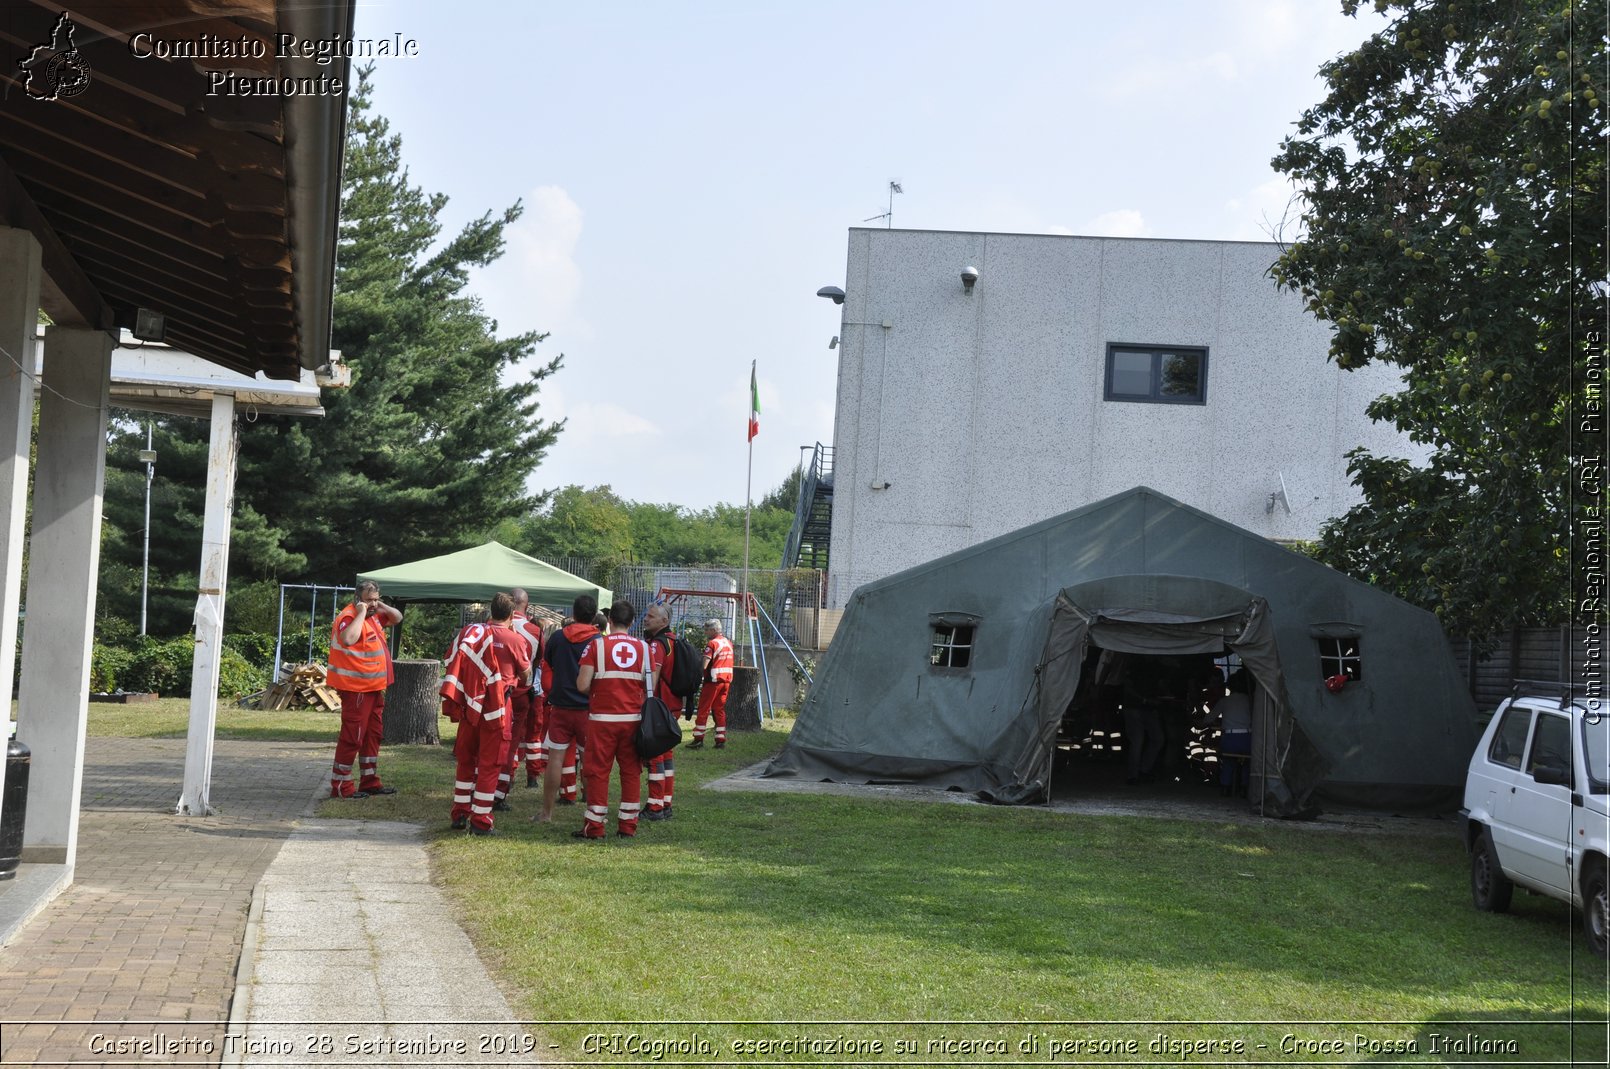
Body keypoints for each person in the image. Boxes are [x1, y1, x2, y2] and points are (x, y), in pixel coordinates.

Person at [574, 598, 660, 839]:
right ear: (631, 623)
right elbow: (650, 686)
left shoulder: (596, 646)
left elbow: (582, 684)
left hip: (602, 720)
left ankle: (595, 826)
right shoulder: (644, 648)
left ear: (609, 621)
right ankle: (628, 826)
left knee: (598, 772)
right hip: (633, 720)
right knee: (631, 772)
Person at [441, 595, 527, 835]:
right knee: (490, 764)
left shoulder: (473, 633)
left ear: (491, 612)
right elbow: (526, 673)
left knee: (466, 759)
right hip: (498, 706)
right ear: (511, 616)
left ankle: (459, 812)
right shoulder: (515, 639)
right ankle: (480, 820)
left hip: (471, 704)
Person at [327, 581, 402, 799]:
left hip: (373, 688)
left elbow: (397, 618)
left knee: (372, 735)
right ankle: (341, 786)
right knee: (353, 737)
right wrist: (361, 612)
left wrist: (382, 607)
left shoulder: (374, 615)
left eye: (375, 598)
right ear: (358, 599)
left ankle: (369, 781)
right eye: (369, 600)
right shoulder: (350, 617)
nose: (372, 603)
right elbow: (348, 638)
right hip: (356, 689)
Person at [534, 595, 600, 823]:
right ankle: (594, 813)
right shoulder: (599, 640)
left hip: (561, 707)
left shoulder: (558, 637)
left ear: (573, 611)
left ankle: (546, 813)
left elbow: (548, 664)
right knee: (590, 761)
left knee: (555, 759)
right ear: (594, 615)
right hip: (587, 709)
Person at [640, 602, 679, 821]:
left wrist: (643, 702)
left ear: (664, 621)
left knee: (654, 756)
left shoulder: (657, 645)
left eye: (651, 616)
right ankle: (665, 803)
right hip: (671, 707)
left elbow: (651, 679)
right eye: (646, 614)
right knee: (666, 756)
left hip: (659, 707)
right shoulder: (673, 640)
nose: (646, 619)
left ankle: (655, 807)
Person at [506, 589, 547, 792]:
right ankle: (532, 776)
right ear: (527, 606)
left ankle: (507, 776)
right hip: (528, 688)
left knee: (508, 735)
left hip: (502, 690)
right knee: (533, 734)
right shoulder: (534, 630)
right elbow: (540, 659)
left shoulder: (495, 626)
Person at [689, 617, 734, 749]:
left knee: (704, 708)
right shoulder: (728, 643)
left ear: (714, 630)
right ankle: (720, 739)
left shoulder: (712, 644)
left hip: (713, 681)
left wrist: (698, 670)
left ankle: (698, 739)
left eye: (707, 630)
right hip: (726, 680)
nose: (705, 633)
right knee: (719, 709)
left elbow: (705, 664)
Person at [1213, 669, 1254, 797]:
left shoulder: (1225, 701)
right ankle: (1244, 787)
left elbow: (1210, 717)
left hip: (1230, 738)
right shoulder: (1250, 701)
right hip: (1247, 738)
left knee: (1228, 761)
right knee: (1248, 762)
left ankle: (1225, 786)